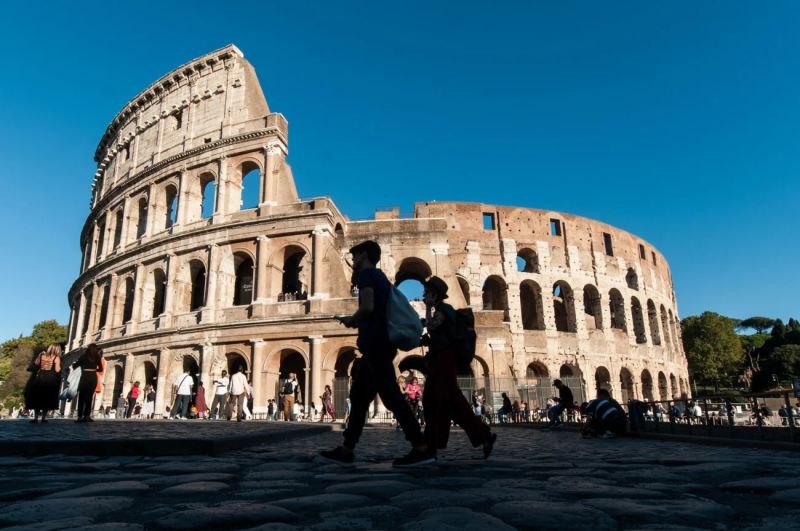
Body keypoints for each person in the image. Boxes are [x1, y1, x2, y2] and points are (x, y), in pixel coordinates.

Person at [320, 240, 434, 467]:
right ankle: (347, 448)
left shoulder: (367, 275)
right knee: (359, 398)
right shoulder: (380, 276)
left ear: (364, 254)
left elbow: (368, 307)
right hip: (377, 345)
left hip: (375, 344)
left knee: (391, 396)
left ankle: (421, 447)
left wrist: (352, 319)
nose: (353, 259)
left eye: (355, 255)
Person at [419, 276, 496, 459]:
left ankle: (481, 435)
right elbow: (439, 333)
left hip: (444, 360)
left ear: (434, 294)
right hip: (440, 358)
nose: (423, 296)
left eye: (427, 293)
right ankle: (433, 442)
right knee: (435, 400)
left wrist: (427, 309)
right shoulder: (442, 310)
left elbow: (432, 326)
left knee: (449, 399)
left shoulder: (444, 310)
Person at [25, 344, 62, 423]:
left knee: (38, 397)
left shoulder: (42, 355)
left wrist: (39, 355)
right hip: (50, 379)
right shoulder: (56, 358)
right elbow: (57, 370)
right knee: (47, 398)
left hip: (40, 377)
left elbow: (36, 363)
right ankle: (43, 418)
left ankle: (35, 418)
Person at [72, 343, 103, 422]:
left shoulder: (83, 356)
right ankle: (87, 416)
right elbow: (101, 369)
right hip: (93, 378)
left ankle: (79, 416)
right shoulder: (97, 357)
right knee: (89, 397)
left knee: (81, 397)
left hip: (84, 378)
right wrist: (94, 370)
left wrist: (80, 367)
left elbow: (75, 366)